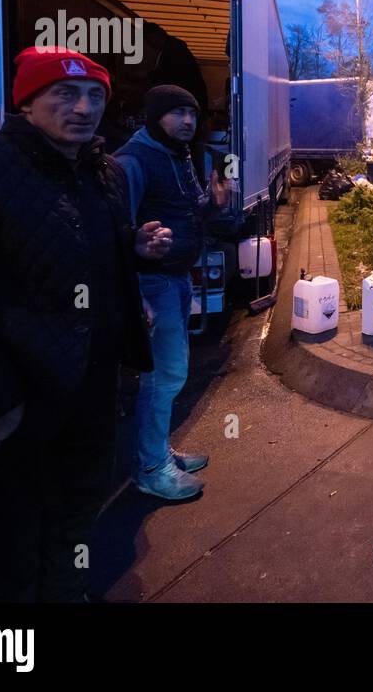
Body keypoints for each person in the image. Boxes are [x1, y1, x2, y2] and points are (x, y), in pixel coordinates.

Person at [0, 46, 167, 602]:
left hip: (92, 391)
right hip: (19, 399)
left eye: (95, 95)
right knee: (6, 538)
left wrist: (131, 252)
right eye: (63, 94)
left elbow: (78, 251)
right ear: (26, 103)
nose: (83, 107)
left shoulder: (105, 173)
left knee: (76, 516)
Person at [114, 85, 230, 501]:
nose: (187, 121)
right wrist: (135, 293)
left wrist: (215, 205)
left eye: (192, 114)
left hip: (178, 278)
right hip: (154, 282)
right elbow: (114, 234)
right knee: (162, 376)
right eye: (177, 113)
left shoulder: (179, 157)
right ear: (155, 116)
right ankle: (151, 467)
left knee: (168, 374)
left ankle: (158, 450)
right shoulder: (133, 161)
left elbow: (190, 212)